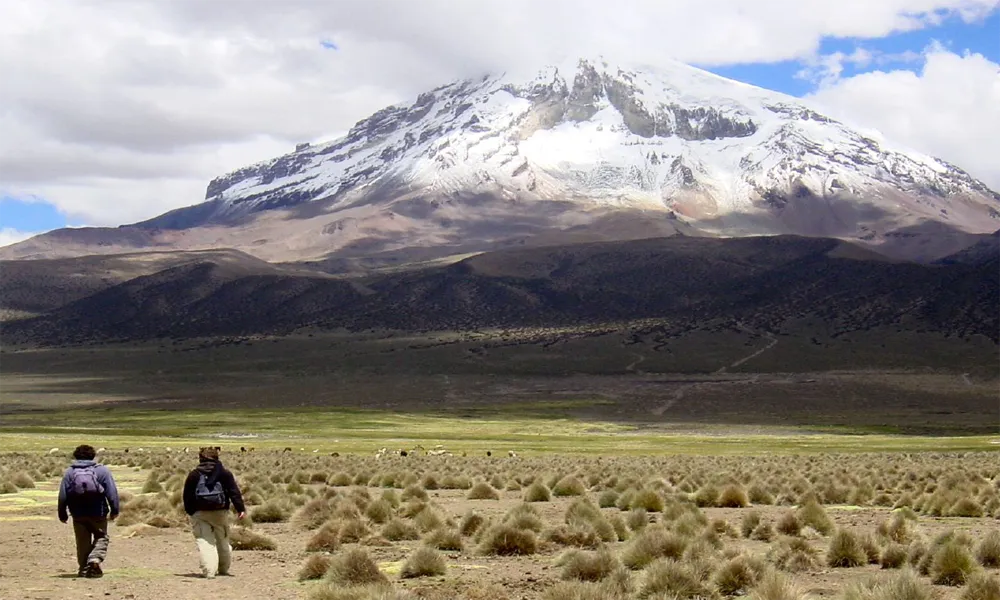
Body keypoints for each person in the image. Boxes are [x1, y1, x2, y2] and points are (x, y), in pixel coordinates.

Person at [182, 447, 246, 579]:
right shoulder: (224, 473)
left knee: (205, 541)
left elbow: (187, 496)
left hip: (199, 513)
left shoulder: (194, 474)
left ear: (200, 458)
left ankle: (209, 572)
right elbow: (234, 492)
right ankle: (223, 569)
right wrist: (240, 509)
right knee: (223, 540)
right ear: (217, 457)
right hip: (220, 512)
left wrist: (190, 512)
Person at [57, 444, 119, 578]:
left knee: (82, 541)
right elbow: (112, 492)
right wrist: (115, 509)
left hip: (78, 513)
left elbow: (63, 495)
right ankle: (95, 560)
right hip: (98, 512)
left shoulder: (70, 472)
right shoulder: (102, 471)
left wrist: (62, 514)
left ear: (75, 456)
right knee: (101, 537)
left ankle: (84, 569)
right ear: (93, 456)